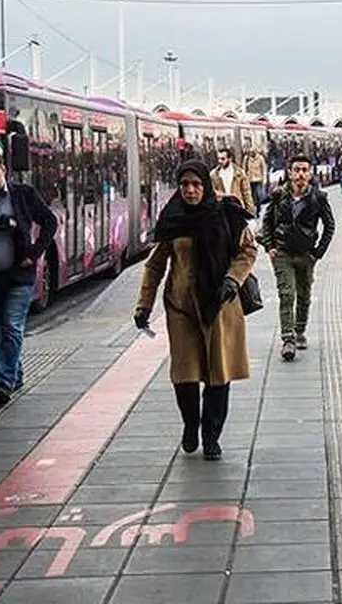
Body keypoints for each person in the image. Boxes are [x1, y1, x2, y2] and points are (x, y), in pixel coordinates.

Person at [134, 160, 256, 460]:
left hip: (220, 305)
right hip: (182, 308)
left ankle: (211, 436)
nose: (190, 190)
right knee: (185, 374)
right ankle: (191, 424)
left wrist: (233, 279)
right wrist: (143, 305)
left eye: (196, 184)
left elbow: (248, 251)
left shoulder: (226, 214)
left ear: (205, 185)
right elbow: (155, 265)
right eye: (184, 184)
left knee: (218, 373)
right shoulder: (172, 219)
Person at [0, 151, 58, 405]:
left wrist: (34, 253)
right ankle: (15, 370)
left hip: (18, 277)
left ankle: (3, 381)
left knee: (12, 326)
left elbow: (49, 221)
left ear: (4, 170)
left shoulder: (23, 194)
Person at [257, 154, 335, 360]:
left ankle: (300, 330)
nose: (300, 174)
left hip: (306, 254)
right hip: (283, 252)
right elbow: (267, 222)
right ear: (290, 173)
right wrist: (270, 246)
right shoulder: (278, 195)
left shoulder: (319, 197)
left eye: (304, 170)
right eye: (297, 170)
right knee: (286, 294)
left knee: (304, 295)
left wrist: (318, 252)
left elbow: (330, 226)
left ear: (310, 174)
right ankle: (288, 339)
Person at [211, 147, 256, 215]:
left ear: (230, 158)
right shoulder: (213, 174)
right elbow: (212, 192)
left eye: (223, 159)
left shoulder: (239, 173)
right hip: (222, 210)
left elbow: (246, 192)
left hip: (237, 208)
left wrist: (251, 210)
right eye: (218, 158)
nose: (220, 161)